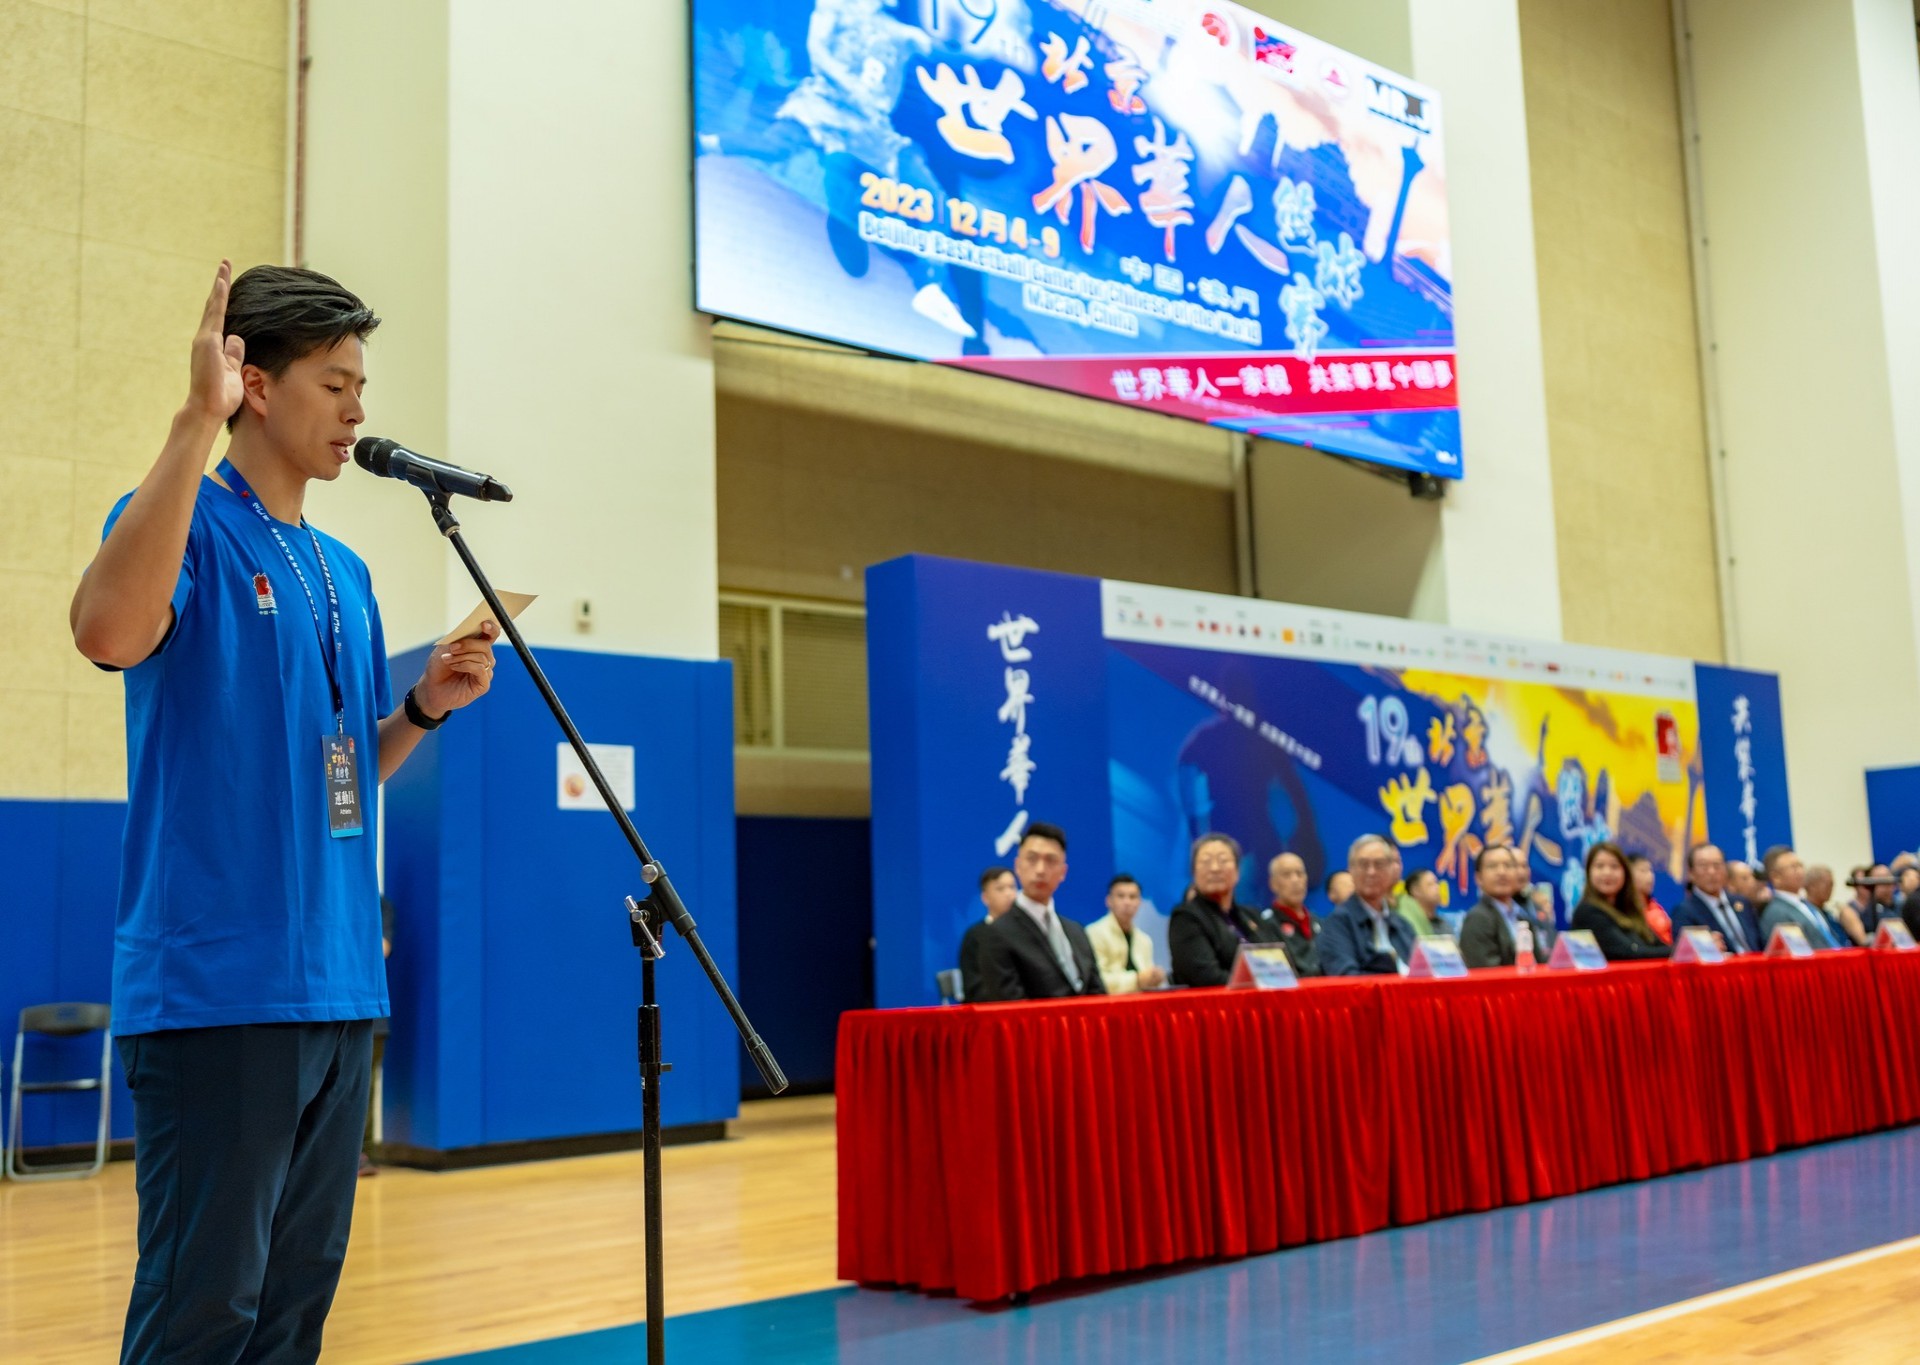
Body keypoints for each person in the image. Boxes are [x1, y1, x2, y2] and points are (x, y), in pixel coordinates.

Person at [69, 262, 499, 1363]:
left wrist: (423, 708)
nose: (356, 411)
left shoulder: (343, 571)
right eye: (333, 384)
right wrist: (191, 422)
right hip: (218, 991)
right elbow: (108, 632)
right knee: (201, 1311)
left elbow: (342, 778)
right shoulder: (182, 523)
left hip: (341, 989)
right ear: (255, 386)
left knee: (292, 1314)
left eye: (361, 388)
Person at [978, 822, 1105, 1001]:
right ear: (1017, 866)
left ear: (1063, 872)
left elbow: (1098, 995)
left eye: (1051, 860)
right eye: (1032, 859)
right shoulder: (996, 934)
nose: (1040, 870)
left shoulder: (1076, 931)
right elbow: (1009, 1007)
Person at [1170, 834, 1286, 985]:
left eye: (1223, 861)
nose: (1215, 868)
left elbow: (1278, 965)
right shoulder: (1186, 918)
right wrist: (1260, 983)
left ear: (1237, 871)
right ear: (1194, 873)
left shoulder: (1252, 915)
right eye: (1205, 862)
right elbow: (1206, 977)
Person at [1318, 835, 1418, 976]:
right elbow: (1346, 978)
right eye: (1363, 864)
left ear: (1391, 870)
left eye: (1379, 864)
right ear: (1351, 870)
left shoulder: (1402, 925)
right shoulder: (1337, 924)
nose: (1371, 872)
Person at [1459, 845, 1555, 968]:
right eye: (1492, 866)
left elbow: (1538, 962)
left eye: (1508, 866)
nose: (1502, 872)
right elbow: (1485, 971)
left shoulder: (1522, 917)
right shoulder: (1477, 919)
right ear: (1479, 878)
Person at [1571, 843, 1672, 960]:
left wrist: (1680, 951)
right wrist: (1674, 952)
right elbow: (1629, 953)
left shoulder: (1629, 911)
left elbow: (1657, 944)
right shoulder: (1587, 912)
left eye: (1614, 866)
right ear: (1588, 872)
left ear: (1626, 873)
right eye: (1599, 866)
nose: (1607, 873)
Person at [1085, 874, 1167, 994]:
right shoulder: (1094, 933)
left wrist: (1154, 978)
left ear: (1139, 902)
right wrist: (1137, 980)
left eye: (1132, 897)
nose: (1127, 902)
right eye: (1121, 896)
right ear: (1109, 901)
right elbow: (1096, 981)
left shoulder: (1144, 940)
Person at [1670, 844, 1758, 954]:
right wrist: (1707, 949)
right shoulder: (1684, 912)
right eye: (1703, 866)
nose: (1711, 872)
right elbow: (1685, 954)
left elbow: (1759, 943)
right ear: (1691, 873)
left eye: (1717, 865)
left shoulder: (1742, 903)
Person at [1757, 846, 1841, 950]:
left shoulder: (1808, 905)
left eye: (1801, 865)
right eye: (1794, 867)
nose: (1800, 871)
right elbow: (1797, 952)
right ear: (1776, 877)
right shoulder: (1776, 913)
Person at [959, 865, 1017, 1001]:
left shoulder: (1026, 932)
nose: (1008, 894)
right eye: (1000, 889)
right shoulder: (974, 936)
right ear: (985, 897)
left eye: (1012, 887)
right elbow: (973, 987)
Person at [1266, 852, 1324, 976]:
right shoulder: (1266, 925)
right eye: (1286, 875)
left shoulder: (1319, 922)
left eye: (1300, 873)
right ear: (1273, 884)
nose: (1295, 880)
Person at [1805, 864, 1865, 946]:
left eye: (1832, 884)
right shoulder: (1805, 914)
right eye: (1826, 884)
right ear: (1812, 885)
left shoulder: (1832, 914)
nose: (1830, 888)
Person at [1628, 854, 1673, 943]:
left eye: (1650, 870)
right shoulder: (1625, 911)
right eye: (1643, 871)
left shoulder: (1656, 907)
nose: (1650, 876)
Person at [1397, 867, 1446, 939]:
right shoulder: (1405, 923)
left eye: (1437, 883)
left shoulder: (1443, 925)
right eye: (1430, 884)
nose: (1437, 887)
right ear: (1416, 890)